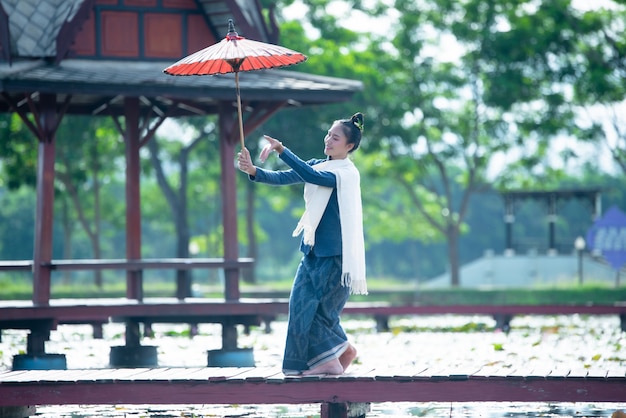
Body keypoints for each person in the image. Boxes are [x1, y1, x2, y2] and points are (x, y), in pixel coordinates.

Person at [237, 112, 367, 376]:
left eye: (336, 137)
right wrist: (254, 171)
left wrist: (282, 150)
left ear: (349, 146)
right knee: (298, 306)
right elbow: (286, 177)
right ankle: (340, 351)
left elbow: (310, 175)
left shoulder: (345, 174)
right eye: (328, 134)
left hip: (335, 256)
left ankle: (330, 361)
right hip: (312, 250)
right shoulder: (320, 165)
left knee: (320, 313)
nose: (328, 140)